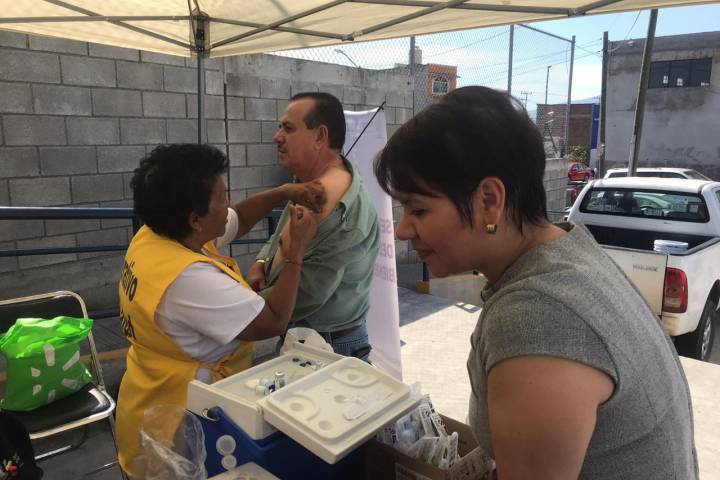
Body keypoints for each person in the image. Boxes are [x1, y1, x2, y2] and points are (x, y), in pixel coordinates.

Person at [374, 86, 698, 479]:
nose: (404, 230)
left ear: (489, 200)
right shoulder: (568, 248)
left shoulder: (536, 316)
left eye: (418, 209)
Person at [115, 144, 322, 476]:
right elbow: (273, 321)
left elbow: (239, 219)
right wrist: (296, 252)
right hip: (176, 429)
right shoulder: (188, 280)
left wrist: (283, 193)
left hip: (143, 398)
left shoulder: (155, 235)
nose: (229, 206)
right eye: (223, 198)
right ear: (196, 219)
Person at [245, 92, 380, 360]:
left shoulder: (335, 207)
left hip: (326, 349)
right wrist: (261, 262)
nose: (277, 136)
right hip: (306, 341)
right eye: (279, 127)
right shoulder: (310, 187)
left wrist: (234, 309)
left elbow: (307, 294)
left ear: (319, 136)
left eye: (288, 128)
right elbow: (282, 235)